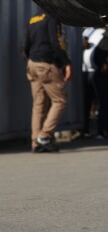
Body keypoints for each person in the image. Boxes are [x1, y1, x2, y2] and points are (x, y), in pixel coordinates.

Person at [22, 10, 72, 153]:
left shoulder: (32, 20)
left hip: (32, 64)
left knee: (39, 104)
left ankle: (35, 141)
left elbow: (25, 44)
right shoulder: (52, 19)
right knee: (60, 100)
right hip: (46, 64)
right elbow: (56, 43)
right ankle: (44, 136)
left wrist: (30, 61)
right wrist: (66, 63)